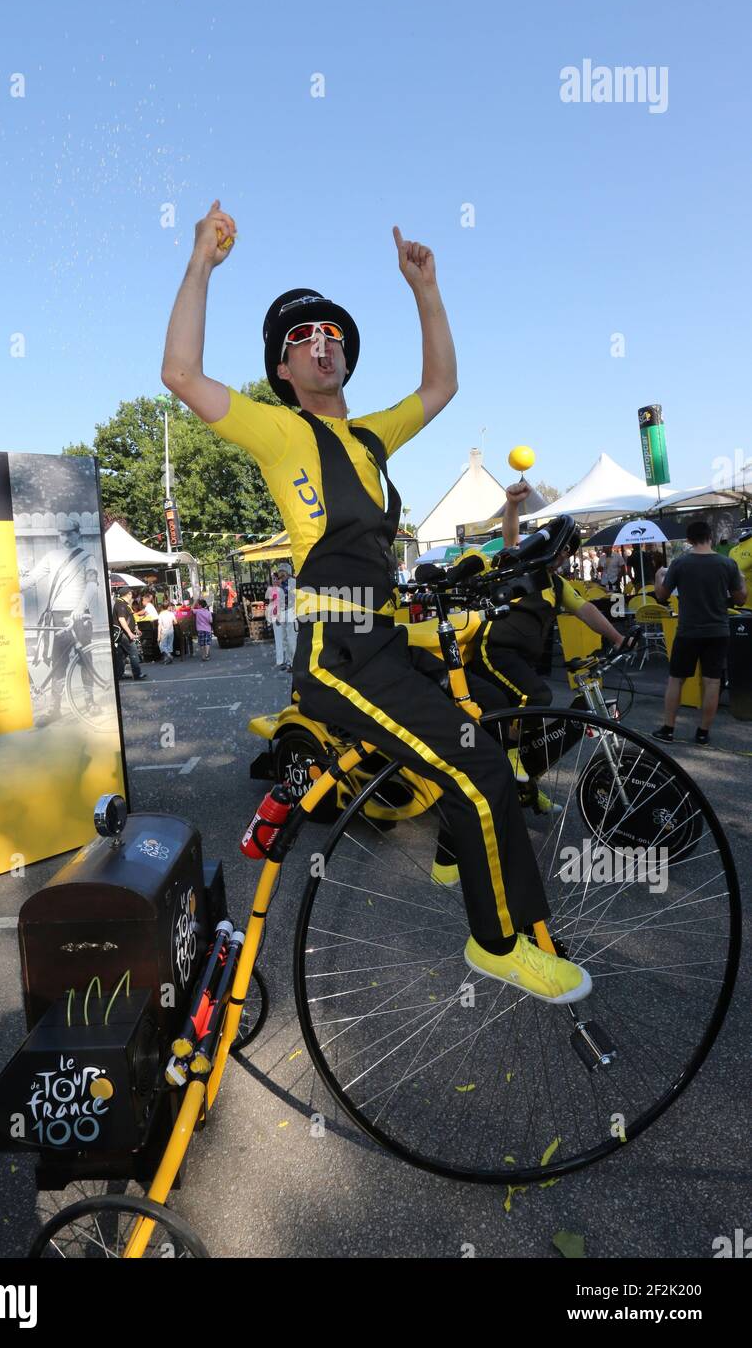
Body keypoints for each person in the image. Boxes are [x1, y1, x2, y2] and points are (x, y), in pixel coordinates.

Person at [159, 197, 592, 1005]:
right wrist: (201, 264)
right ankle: (496, 943)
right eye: (302, 340)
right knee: (476, 765)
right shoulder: (277, 430)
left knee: (495, 715)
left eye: (332, 337)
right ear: (283, 371)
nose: (321, 345)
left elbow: (442, 383)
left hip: (386, 641)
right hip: (341, 650)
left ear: (346, 360)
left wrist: (424, 288)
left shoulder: (370, 437)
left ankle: (458, 850)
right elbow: (179, 374)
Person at [467, 482, 633, 805]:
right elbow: (512, 538)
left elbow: (587, 611)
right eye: (562, 549)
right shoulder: (520, 567)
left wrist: (619, 638)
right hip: (494, 650)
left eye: (568, 551)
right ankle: (513, 759)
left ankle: (527, 787)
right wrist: (512, 505)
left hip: (519, 660)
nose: (563, 556)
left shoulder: (557, 585)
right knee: (538, 696)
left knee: (535, 721)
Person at [652, 519, 746, 745]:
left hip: (688, 631)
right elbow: (741, 600)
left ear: (689, 540)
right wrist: (741, 583)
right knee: (712, 682)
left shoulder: (680, 563)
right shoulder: (727, 564)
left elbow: (662, 596)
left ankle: (668, 729)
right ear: (710, 537)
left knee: (676, 680)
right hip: (718, 630)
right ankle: (703, 733)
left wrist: (657, 577)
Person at [19, 517, 100, 724]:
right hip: (56, 616)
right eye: (62, 533)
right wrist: (10, 584)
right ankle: (55, 708)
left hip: (79, 615)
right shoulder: (51, 556)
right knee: (58, 662)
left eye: (69, 533)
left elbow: (92, 584)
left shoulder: (86, 557)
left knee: (85, 660)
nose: (65, 537)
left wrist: (80, 607)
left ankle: (90, 702)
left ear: (78, 534)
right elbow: (32, 579)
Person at [112, 587, 147, 681]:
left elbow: (130, 618)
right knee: (133, 652)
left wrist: (136, 628)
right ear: (128, 594)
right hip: (124, 634)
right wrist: (129, 633)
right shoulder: (121, 604)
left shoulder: (124, 604)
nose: (132, 595)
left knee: (121, 655)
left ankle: (119, 674)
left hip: (123, 634)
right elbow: (121, 619)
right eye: (131, 593)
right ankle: (137, 674)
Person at [275, 562, 298, 671]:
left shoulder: (293, 582)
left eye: (282, 572)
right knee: (284, 639)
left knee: (291, 639)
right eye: (280, 572)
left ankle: (295, 663)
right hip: (283, 613)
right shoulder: (279, 584)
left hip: (292, 612)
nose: (280, 574)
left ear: (287, 572)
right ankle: (289, 662)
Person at [264, 570, 286, 669]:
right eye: (273, 579)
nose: (275, 580)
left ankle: (283, 659)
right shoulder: (273, 590)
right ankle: (280, 659)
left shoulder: (279, 589)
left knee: (283, 638)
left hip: (281, 614)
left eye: (276, 579)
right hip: (277, 615)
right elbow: (272, 604)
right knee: (280, 639)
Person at [157, 597, 176, 664]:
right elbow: (175, 622)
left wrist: (158, 635)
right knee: (169, 645)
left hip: (164, 632)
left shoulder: (161, 614)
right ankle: (168, 658)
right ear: (168, 607)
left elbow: (159, 625)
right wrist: (172, 623)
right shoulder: (171, 614)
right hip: (171, 631)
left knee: (162, 645)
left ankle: (168, 656)